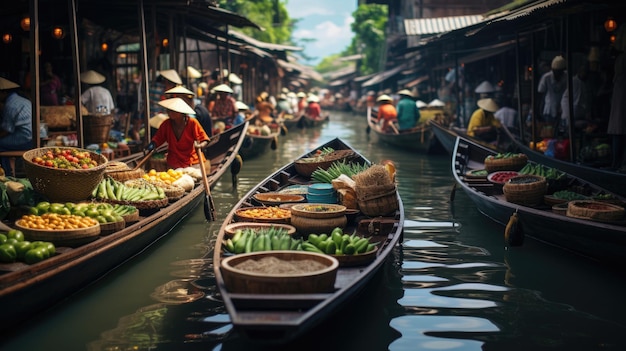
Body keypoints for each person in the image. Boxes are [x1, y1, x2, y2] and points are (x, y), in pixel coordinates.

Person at [145, 97, 210, 170]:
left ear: (181, 112)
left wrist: (200, 146)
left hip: (192, 161)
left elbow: (205, 139)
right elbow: (158, 138)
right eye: (168, 110)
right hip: (174, 161)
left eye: (172, 111)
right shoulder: (166, 124)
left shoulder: (192, 123)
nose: (168, 112)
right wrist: (152, 145)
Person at [0, 77, 32, 174]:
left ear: (3, 93)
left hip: (25, 139)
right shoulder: (21, 100)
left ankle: (6, 172)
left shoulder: (10, 105)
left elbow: (7, 130)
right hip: (32, 136)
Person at [607, 25, 626, 170]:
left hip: (620, 99)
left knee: (618, 131)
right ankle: (618, 165)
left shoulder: (621, 58)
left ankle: (618, 165)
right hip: (620, 98)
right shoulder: (621, 58)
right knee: (619, 131)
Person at [538, 55, 568, 123]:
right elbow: (540, 94)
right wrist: (539, 110)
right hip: (549, 109)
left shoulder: (567, 77)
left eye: (560, 71)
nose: (557, 74)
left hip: (563, 109)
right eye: (556, 71)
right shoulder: (546, 77)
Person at [560, 64, 589, 131]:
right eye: (583, 72)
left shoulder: (584, 83)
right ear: (579, 72)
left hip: (578, 112)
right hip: (569, 111)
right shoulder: (573, 81)